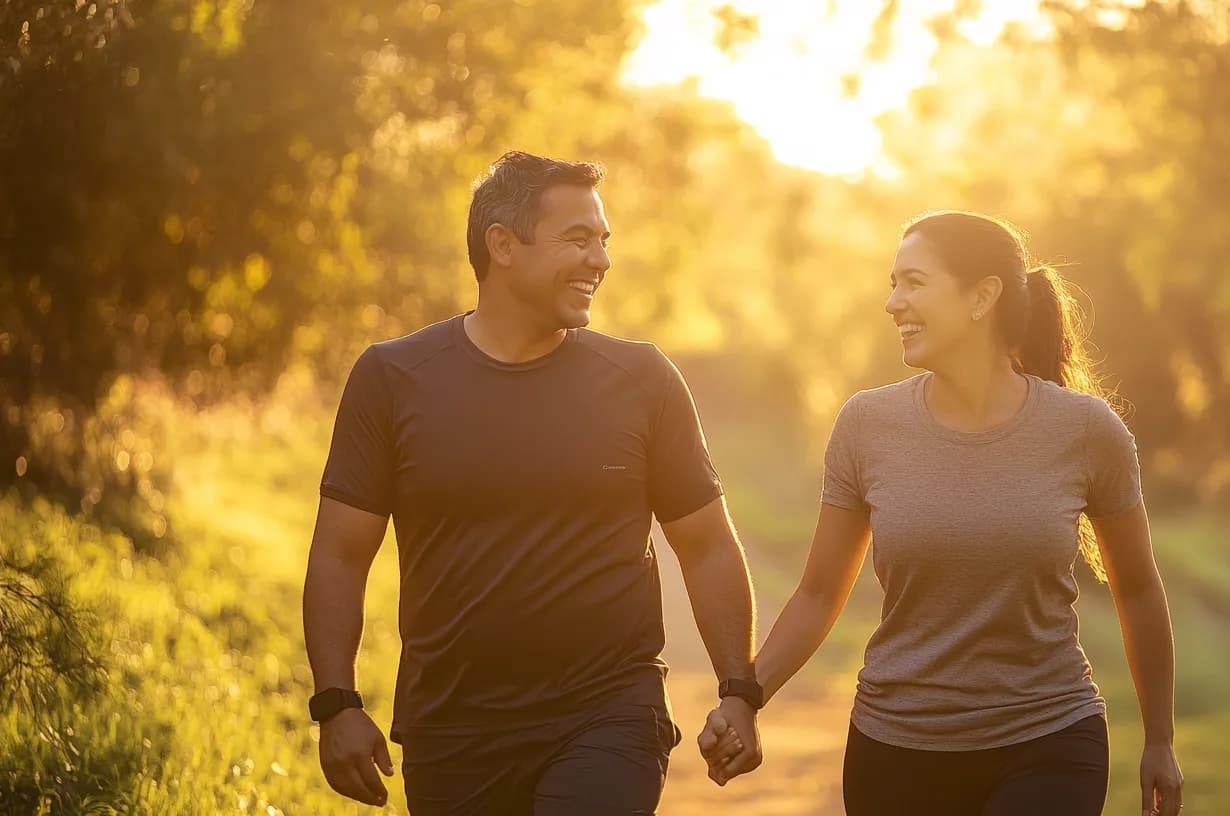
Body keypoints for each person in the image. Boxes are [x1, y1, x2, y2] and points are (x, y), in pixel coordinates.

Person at [303, 150, 764, 815]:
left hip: (608, 712)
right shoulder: (393, 379)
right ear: (503, 246)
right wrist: (335, 703)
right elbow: (341, 553)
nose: (601, 260)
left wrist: (738, 691)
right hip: (452, 726)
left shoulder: (641, 381)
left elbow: (707, 545)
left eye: (603, 241)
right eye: (578, 239)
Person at [699, 211, 1182, 815]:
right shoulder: (867, 426)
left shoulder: (1086, 431)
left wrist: (1160, 740)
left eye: (913, 282)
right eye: (892, 282)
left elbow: (1137, 590)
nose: (892, 302)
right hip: (897, 747)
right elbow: (819, 594)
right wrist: (746, 696)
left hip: (1048, 737)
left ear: (982, 296)